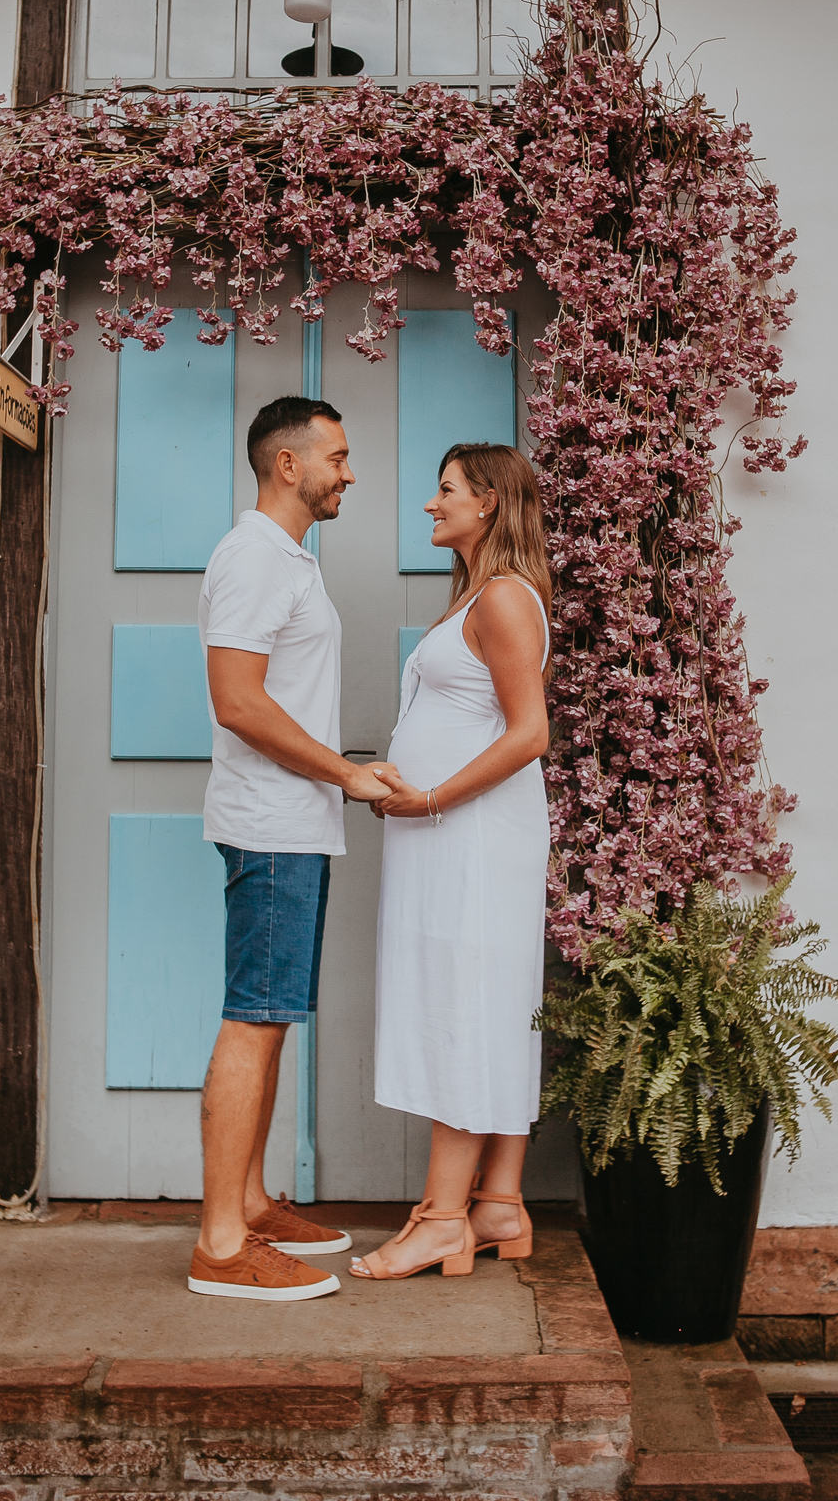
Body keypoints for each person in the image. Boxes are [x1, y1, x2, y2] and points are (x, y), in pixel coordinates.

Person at [189, 395, 391, 1301]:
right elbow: (237, 700)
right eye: (338, 457)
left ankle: (254, 1202)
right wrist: (343, 775)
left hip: (294, 822)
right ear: (288, 465)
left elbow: (282, 699)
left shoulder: (287, 561)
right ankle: (221, 1245)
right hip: (271, 824)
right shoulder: (253, 559)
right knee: (253, 1018)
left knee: (270, 1022)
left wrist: (340, 775)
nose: (348, 472)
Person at [350, 442, 552, 1281]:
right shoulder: (481, 595)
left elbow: (530, 733)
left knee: (464, 1003)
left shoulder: (503, 598)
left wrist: (431, 798)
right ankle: (497, 1201)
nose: (432, 506)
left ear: (490, 504)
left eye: (446, 492)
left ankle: (441, 1221)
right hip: (459, 834)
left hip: (466, 835)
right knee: (489, 1000)